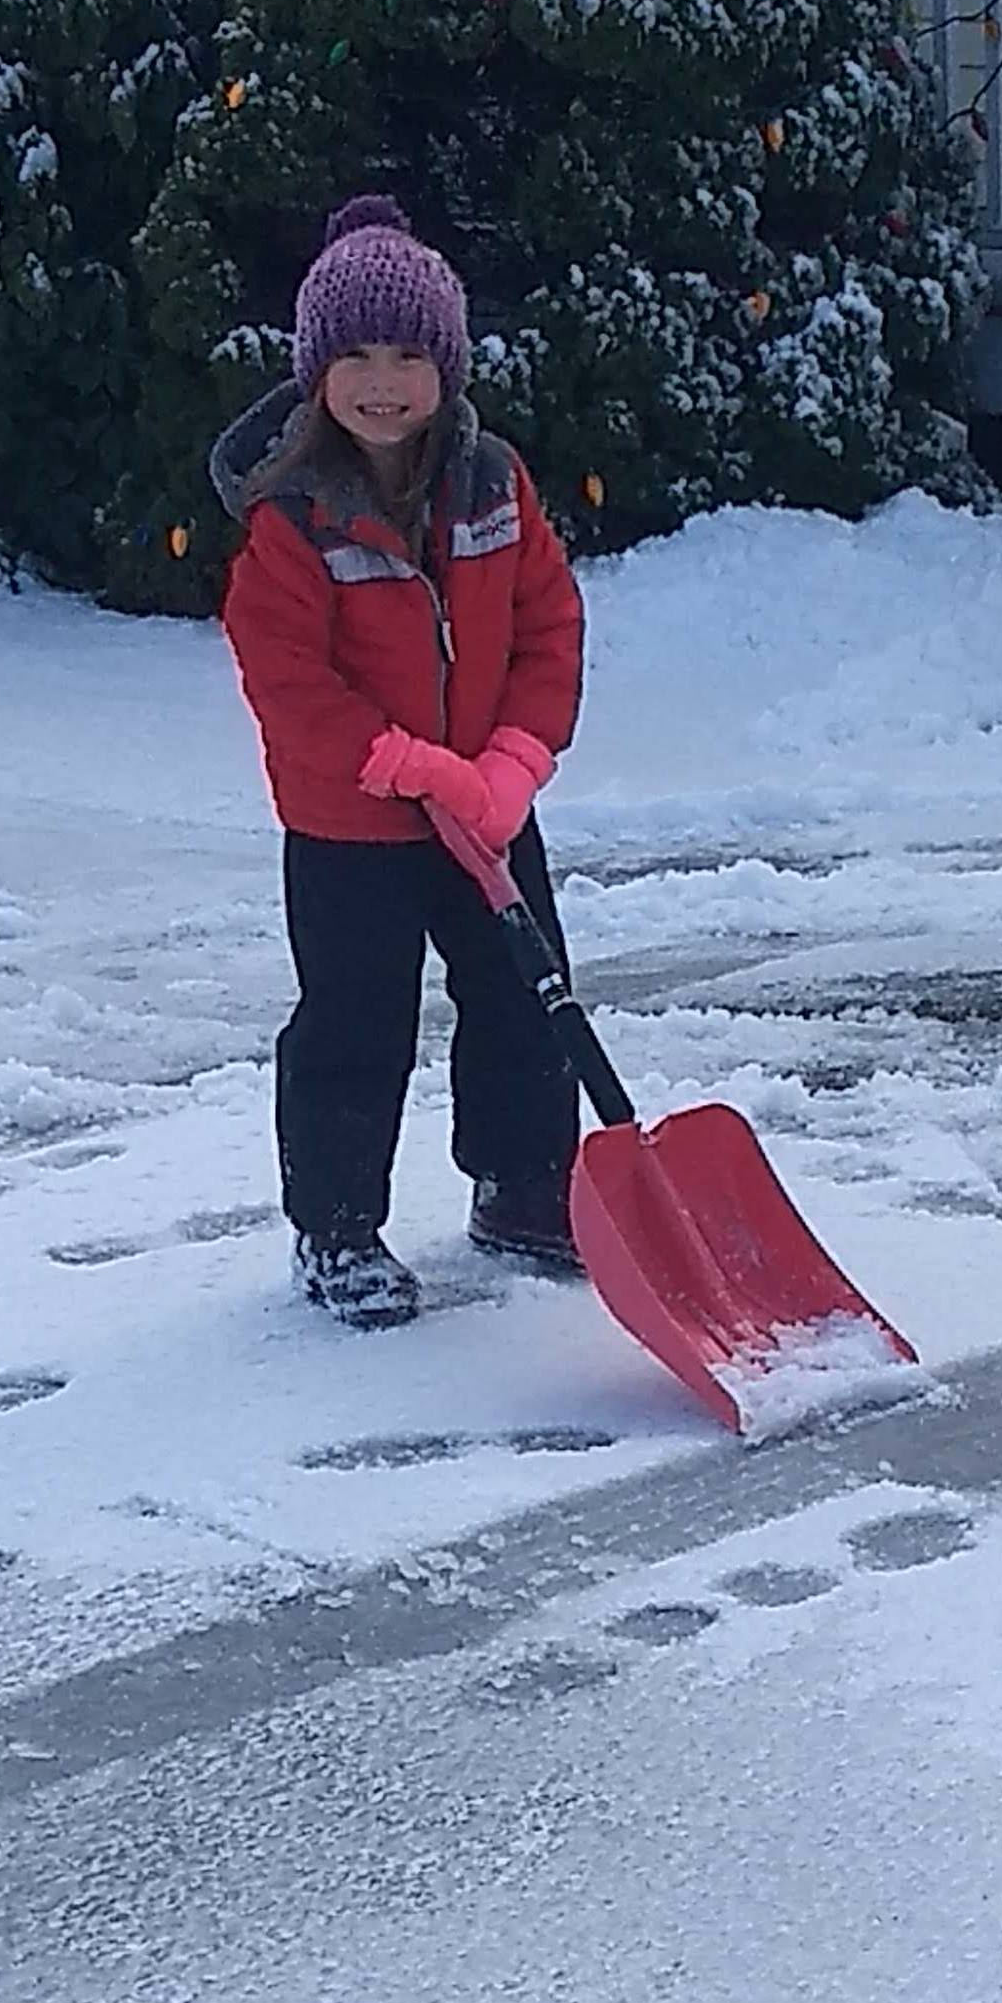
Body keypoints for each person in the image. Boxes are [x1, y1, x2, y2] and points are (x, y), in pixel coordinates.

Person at [211, 194, 584, 1329]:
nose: (385, 383)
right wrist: (407, 765)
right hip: (351, 823)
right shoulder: (291, 517)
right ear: (317, 370)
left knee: (524, 999)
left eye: (411, 356)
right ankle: (336, 1230)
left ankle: (524, 1185)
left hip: (487, 807)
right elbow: (287, 679)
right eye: (358, 357)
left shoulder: (492, 484)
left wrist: (513, 762)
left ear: (447, 367)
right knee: (355, 1022)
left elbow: (547, 625)